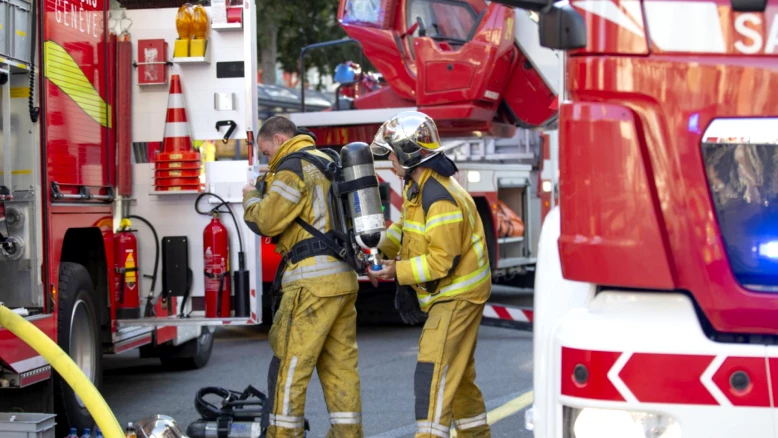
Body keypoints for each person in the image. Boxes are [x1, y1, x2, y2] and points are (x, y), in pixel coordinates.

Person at [367, 111, 492, 438]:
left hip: (456, 297)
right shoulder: (419, 190)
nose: (390, 162)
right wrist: (377, 248)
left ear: (409, 153)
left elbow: (440, 263)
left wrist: (397, 271)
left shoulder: (439, 198)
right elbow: (406, 233)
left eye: (392, 154)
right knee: (459, 378)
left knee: (432, 370)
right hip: (451, 295)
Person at [242, 116, 363, 438]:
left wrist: (251, 196)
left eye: (267, 153)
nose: (268, 159)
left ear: (280, 140)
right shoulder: (327, 160)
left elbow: (267, 222)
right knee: (341, 367)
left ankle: (283, 435)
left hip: (310, 284)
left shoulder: (292, 168)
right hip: (342, 279)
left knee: (290, 367)